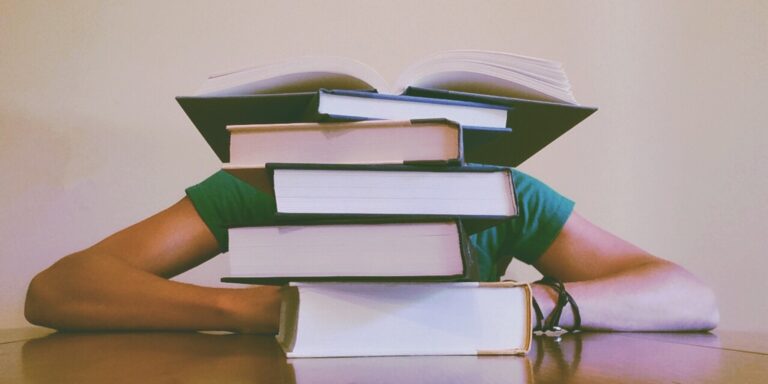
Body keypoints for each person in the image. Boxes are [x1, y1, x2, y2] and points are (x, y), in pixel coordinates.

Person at [24, 169, 719, 333]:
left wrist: (534, 304)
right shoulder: (263, 183)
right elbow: (57, 290)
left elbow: (689, 295)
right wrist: (263, 310)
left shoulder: (498, 193)